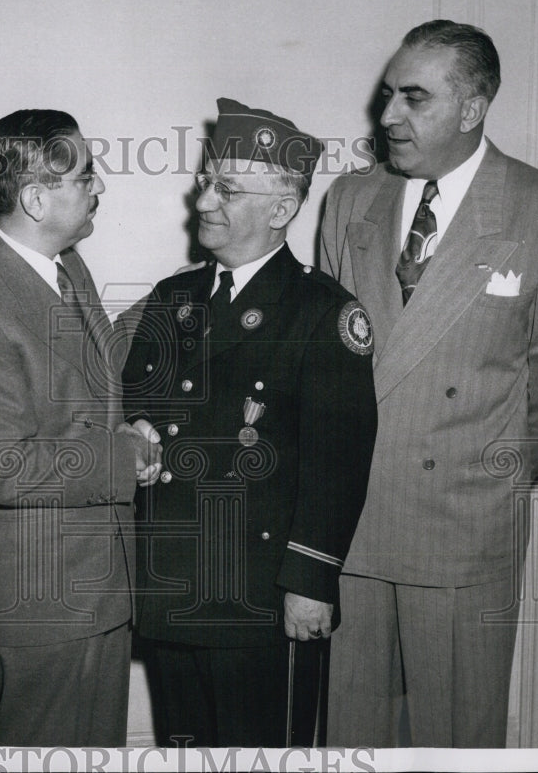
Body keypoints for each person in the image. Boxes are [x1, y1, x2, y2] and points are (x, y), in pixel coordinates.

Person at [321, 20, 538, 748]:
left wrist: (487, 478)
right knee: (355, 735)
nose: (387, 116)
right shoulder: (350, 201)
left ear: (473, 108)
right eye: (389, 94)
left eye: (414, 98)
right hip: (349, 526)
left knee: (453, 738)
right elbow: (325, 369)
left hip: (460, 532)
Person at [121, 98, 378, 747]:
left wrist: (311, 584)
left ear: (281, 209)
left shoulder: (323, 314)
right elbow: (131, 409)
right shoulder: (172, 299)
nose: (203, 199)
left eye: (227, 188)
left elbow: (337, 464)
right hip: (175, 590)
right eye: (207, 180)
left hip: (265, 603)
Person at [0, 109, 162, 747]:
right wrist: (124, 457)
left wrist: (180, 299)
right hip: (43, 607)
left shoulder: (65, 266)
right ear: (35, 197)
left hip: (96, 592)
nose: (100, 185)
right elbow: (8, 467)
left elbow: (90, 383)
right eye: (86, 174)